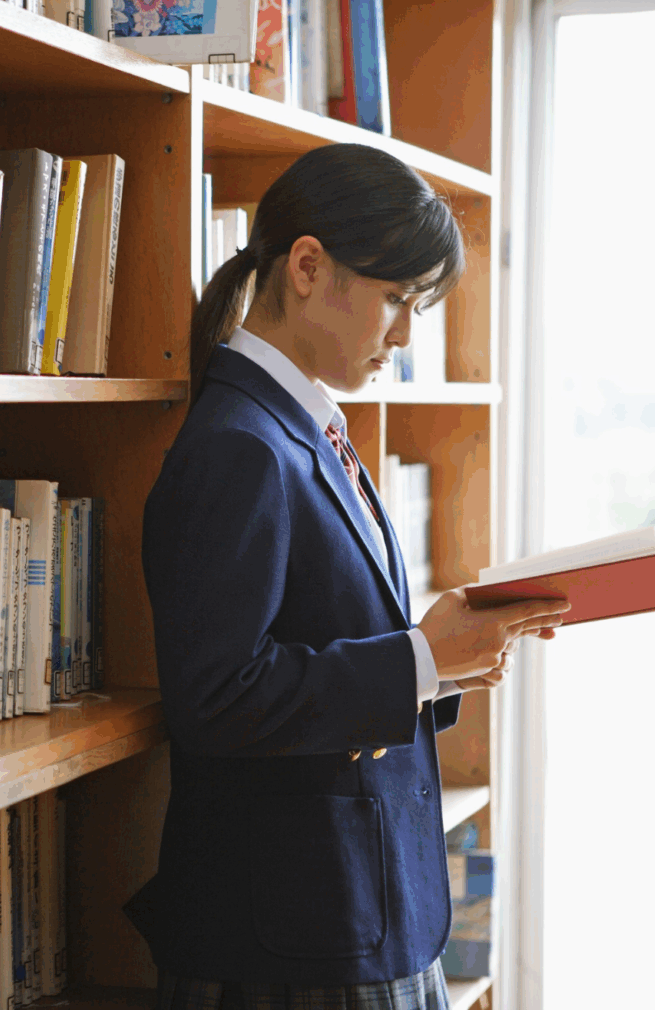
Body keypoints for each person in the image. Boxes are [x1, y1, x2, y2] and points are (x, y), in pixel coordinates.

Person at [126, 144, 569, 1009]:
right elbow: (215, 695)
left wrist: (445, 658)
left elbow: (326, 636)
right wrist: (419, 660)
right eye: (396, 299)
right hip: (294, 936)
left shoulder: (304, 425)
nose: (405, 337)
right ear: (306, 267)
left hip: (352, 911)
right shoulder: (241, 446)